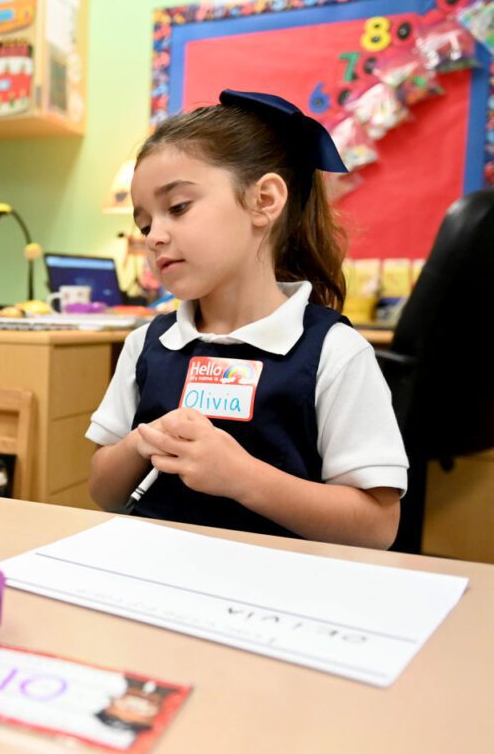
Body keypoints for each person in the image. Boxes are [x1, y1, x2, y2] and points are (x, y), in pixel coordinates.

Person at [86, 89, 407, 549]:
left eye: (177, 208)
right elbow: (102, 491)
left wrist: (241, 477)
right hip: (157, 578)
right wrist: (140, 444)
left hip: (279, 597)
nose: (155, 236)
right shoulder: (148, 344)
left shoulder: (333, 352)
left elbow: (377, 526)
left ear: (265, 201)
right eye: (144, 224)